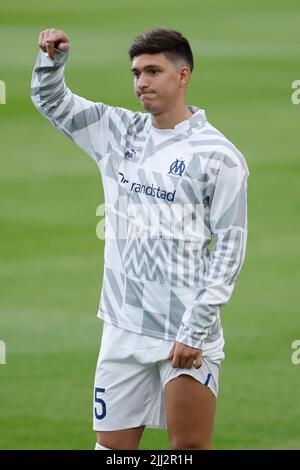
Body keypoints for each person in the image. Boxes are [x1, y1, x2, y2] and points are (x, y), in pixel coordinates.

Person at [31, 27, 249, 450]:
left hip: (183, 332)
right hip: (122, 327)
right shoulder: (118, 131)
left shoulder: (219, 156)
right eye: (136, 72)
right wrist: (53, 62)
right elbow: (52, 102)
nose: (141, 82)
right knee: (112, 452)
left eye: (153, 70)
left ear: (183, 75)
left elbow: (230, 246)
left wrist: (196, 327)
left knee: (188, 451)